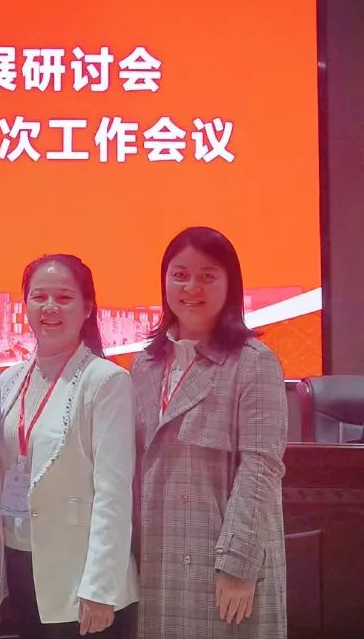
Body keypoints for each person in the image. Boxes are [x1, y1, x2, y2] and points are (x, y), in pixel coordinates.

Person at [132, 227, 287, 638]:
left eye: (207, 276)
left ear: (230, 283)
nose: (191, 288)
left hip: (223, 557)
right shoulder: (145, 364)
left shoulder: (254, 361)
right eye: (180, 275)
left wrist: (238, 563)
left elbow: (261, 468)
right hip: (159, 552)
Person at [0, 254, 138, 638]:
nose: (49, 307)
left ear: (88, 308)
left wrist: (101, 587)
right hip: (19, 563)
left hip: (79, 575)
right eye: (39, 297)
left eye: (64, 297)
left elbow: (114, 493)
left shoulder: (106, 380)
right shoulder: (9, 379)